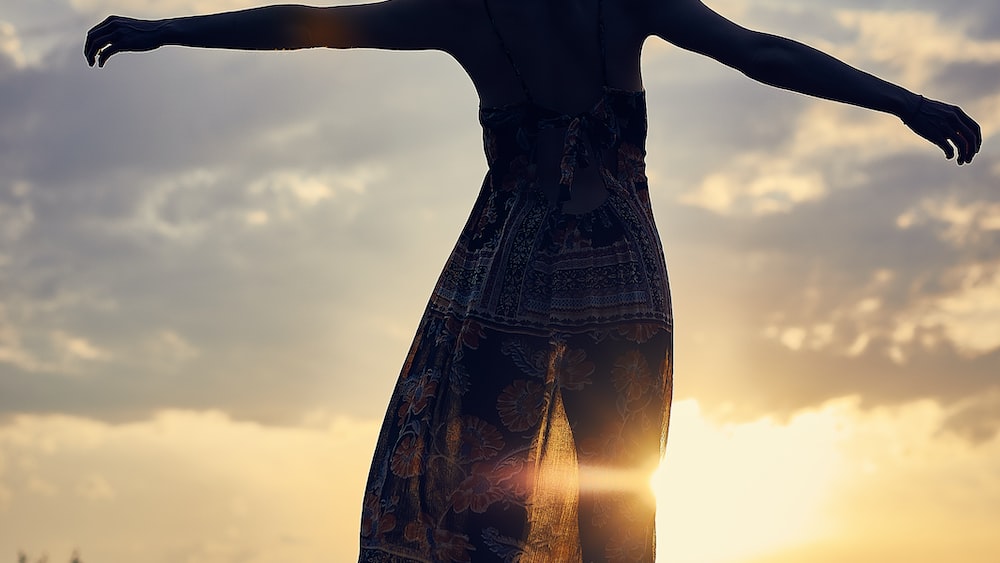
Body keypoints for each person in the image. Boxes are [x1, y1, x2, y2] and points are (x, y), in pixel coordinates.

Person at [85, 1, 982, 561]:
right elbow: (760, 52)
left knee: (487, 506)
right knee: (619, 507)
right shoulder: (619, 2)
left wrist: (168, 28)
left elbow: (312, 25)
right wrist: (904, 100)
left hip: (505, 285)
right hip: (624, 284)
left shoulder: (473, 14)